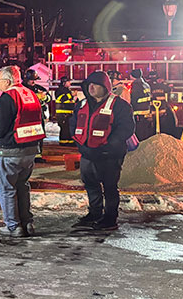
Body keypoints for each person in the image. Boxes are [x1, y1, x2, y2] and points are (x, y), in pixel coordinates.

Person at [71, 71, 136, 231]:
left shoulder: (120, 105)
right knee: (90, 184)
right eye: (89, 85)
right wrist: (82, 146)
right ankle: (94, 213)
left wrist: (107, 146)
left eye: (95, 85)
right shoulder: (81, 104)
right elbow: (73, 126)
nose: (91, 88)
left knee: (109, 187)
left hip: (110, 155)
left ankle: (109, 219)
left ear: (105, 87)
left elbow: (126, 129)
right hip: (87, 153)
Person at [0, 65, 43, 238]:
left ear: (7, 80)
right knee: (22, 186)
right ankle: (27, 223)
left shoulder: (8, 97)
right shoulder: (30, 94)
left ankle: (13, 226)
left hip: (11, 150)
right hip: (30, 148)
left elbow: (0, 125)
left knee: (7, 188)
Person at [24, 70, 49, 162]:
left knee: (39, 134)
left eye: (35, 80)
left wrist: (44, 97)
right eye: (31, 80)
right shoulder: (23, 88)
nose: (33, 82)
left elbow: (48, 97)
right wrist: (37, 96)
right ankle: (28, 154)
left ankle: (38, 155)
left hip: (38, 114)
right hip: (27, 115)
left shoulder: (39, 88)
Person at [129, 68, 154, 141]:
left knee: (139, 136)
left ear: (132, 76)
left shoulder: (136, 85)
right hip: (147, 113)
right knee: (145, 135)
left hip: (138, 115)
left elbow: (134, 100)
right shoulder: (146, 84)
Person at [52, 76, 77, 145]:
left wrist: (74, 99)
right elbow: (61, 98)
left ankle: (70, 141)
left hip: (68, 113)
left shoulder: (67, 90)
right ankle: (63, 142)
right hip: (62, 113)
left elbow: (70, 101)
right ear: (64, 82)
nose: (70, 83)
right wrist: (71, 95)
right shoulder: (59, 90)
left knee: (69, 128)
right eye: (68, 82)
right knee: (64, 128)